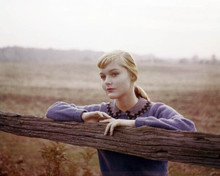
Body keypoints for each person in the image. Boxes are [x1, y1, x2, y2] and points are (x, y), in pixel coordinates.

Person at [46, 50, 196, 176]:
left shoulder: (156, 110)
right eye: (103, 76)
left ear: (132, 75)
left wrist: (133, 123)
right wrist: (84, 116)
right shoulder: (102, 112)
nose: (107, 81)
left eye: (114, 74)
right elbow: (54, 109)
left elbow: (188, 127)